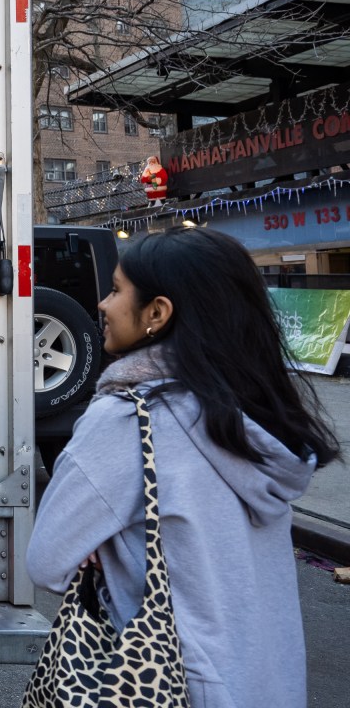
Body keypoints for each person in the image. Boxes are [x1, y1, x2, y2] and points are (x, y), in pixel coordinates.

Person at [27, 227, 340, 708]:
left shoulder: (128, 419)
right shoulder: (257, 413)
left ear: (157, 313)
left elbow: (47, 559)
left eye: (114, 290)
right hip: (269, 682)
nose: (103, 305)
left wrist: (99, 540)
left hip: (170, 685)